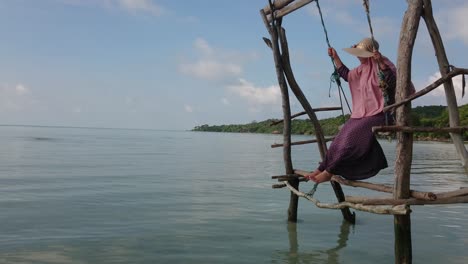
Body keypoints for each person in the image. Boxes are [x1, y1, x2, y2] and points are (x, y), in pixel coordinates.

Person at [305, 37, 397, 183]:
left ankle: (329, 172)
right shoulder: (361, 69)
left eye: (360, 53)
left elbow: (391, 82)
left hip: (381, 113)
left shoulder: (383, 64)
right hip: (361, 114)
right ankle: (321, 168)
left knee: (351, 139)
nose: (358, 56)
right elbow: (347, 75)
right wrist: (336, 57)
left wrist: (380, 62)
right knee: (339, 139)